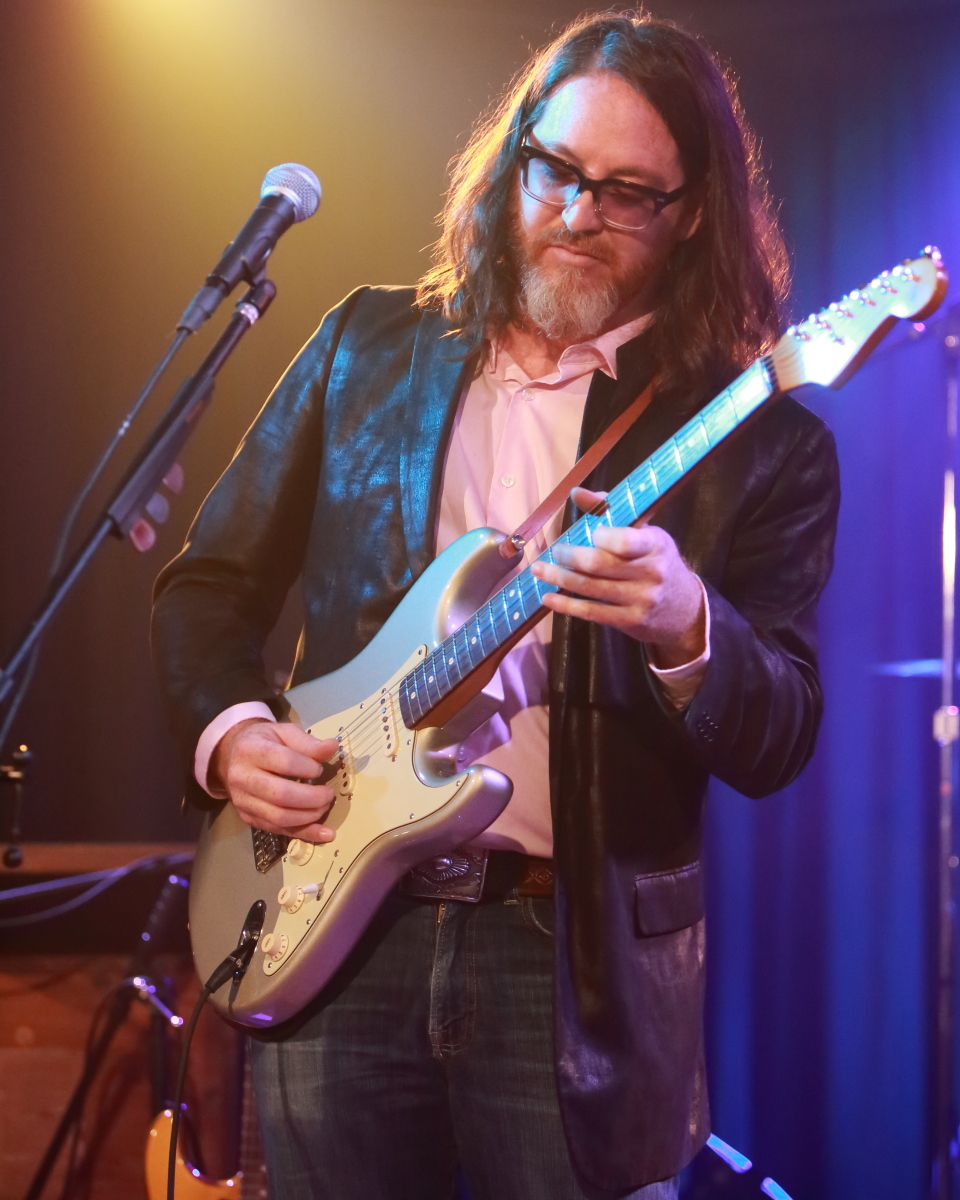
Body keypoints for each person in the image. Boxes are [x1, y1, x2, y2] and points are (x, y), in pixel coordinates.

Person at [152, 11, 839, 1200]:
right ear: (512, 156)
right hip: (333, 929)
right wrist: (233, 734)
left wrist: (688, 626)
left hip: (568, 966)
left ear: (692, 215)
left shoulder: (763, 444)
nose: (577, 212)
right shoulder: (367, 347)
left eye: (627, 193)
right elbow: (207, 584)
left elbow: (781, 735)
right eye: (555, 169)